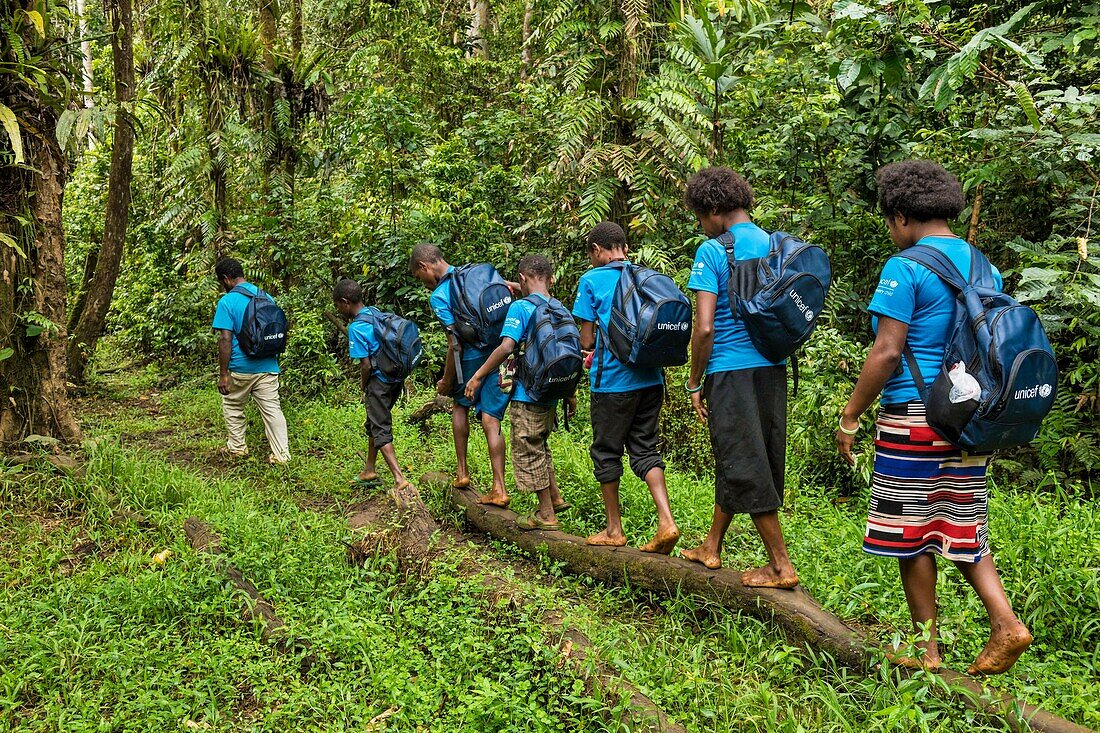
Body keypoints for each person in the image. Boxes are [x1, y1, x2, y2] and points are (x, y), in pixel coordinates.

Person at [835, 159, 1031, 674]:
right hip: (970, 417)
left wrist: (851, 415)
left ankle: (927, 650)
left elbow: (887, 352)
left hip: (916, 417)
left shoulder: (905, 267)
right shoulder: (983, 265)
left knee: (910, 533)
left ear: (900, 215)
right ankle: (1006, 623)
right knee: (964, 525)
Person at [680, 167, 798, 589]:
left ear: (712, 209)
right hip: (772, 367)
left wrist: (694, 380)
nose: (700, 224)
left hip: (731, 370)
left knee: (745, 460)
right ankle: (712, 545)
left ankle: (781, 566)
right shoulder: (774, 244)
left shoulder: (712, 251)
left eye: (699, 216)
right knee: (747, 452)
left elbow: (705, 327)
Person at [572, 222, 680, 554]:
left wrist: (586, 352)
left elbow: (587, 339)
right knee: (646, 450)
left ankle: (614, 529)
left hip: (613, 384)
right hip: (651, 380)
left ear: (595, 250)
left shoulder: (591, 280)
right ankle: (666, 521)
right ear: (625, 248)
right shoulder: (646, 277)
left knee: (606, 452)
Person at [465, 254, 577, 530]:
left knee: (528, 448)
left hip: (529, 392)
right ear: (551, 278)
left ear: (523, 279)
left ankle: (546, 515)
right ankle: (555, 496)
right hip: (554, 388)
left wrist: (478, 376)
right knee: (541, 442)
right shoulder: (560, 307)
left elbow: (506, 348)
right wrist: (570, 392)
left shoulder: (521, 309)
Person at [409, 243, 511, 506]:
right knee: (492, 420)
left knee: (459, 406)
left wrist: (448, 380)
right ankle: (500, 488)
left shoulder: (440, 296)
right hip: (502, 352)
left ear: (424, 266)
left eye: (421, 278)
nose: (424, 284)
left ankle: (462, 472)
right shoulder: (476, 273)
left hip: (471, 359)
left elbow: (455, 343)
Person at [332, 278, 411, 491]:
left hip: (379, 382)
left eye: (337, 305)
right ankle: (369, 469)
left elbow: (365, 365)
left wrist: (363, 385)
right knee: (373, 422)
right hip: (395, 378)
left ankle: (399, 478)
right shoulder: (375, 312)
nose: (338, 310)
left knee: (380, 427)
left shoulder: (357, 328)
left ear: (345, 301)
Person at [211, 257, 290, 465]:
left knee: (233, 405)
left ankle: (237, 448)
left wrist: (223, 374)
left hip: (240, 368)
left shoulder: (227, 302)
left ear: (226, 279)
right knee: (273, 410)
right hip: (268, 365)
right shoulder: (266, 297)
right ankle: (282, 455)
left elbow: (225, 338)